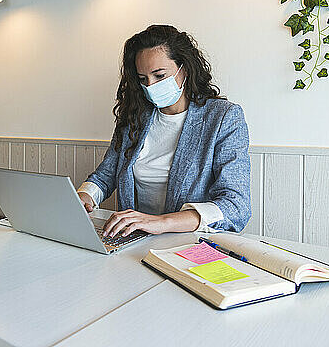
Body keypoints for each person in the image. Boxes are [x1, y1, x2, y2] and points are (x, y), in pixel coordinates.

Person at [77, 24, 251, 239]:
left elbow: (236, 206)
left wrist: (161, 222)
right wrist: (85, 196)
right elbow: (107, 174)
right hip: (134, 238)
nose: (150, 86)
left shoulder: (223, 117)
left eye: (159, 76)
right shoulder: (135, 116)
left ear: (184, 69)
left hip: (190, 241)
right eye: (143, 79)